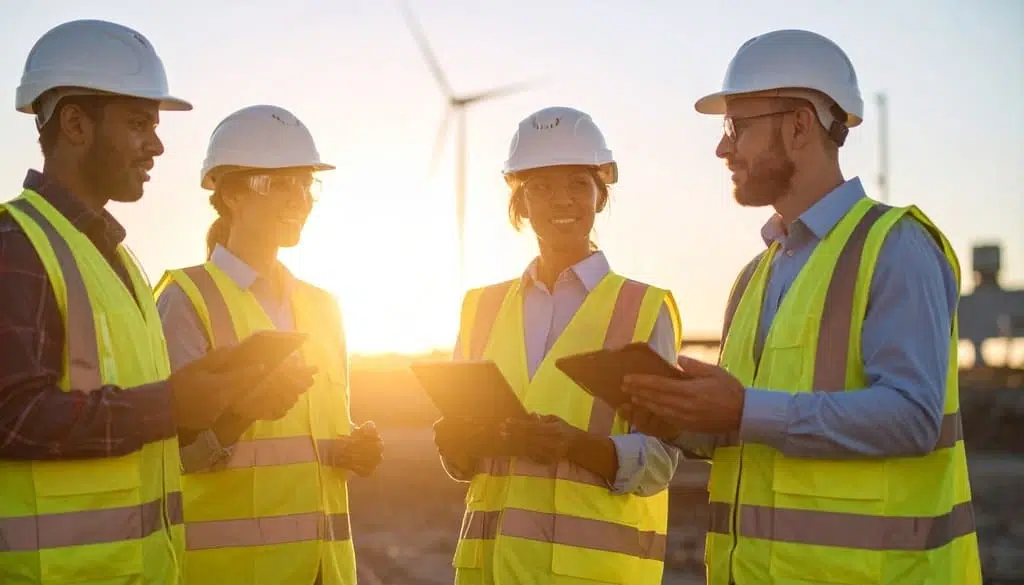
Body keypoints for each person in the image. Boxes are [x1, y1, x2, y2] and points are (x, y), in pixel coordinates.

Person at [620, 29, 983, 585]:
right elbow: (752, 430)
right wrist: (682, 420)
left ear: (798, 125)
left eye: (736, 127)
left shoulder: (895, 247)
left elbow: (913, 418)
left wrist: (742, 410)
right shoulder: (754, 277)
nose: (722, 149)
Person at [0, 20, 312, 585]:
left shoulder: (117, 260)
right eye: (138, 123)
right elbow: (12, 418)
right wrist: (170, 404)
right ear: (75, 123)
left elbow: (141, 425)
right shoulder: (15, 246)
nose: (157, 145)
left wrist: (225, 398)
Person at [432, 106, 683, 585]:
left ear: (600, 196)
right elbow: (461, 460)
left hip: (592, 574)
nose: (561, 200)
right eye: (541, 187)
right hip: (490, 571)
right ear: (521, 202)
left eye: (577, 184)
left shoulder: (643, 308)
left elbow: (660, 460)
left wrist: (578, 447)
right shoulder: (479, 308)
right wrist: (455, 442)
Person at [154, 104, 383, 585]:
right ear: (231, 193)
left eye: (305, 183)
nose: (300, 199)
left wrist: (350, 449)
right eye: (280, 183)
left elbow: (307, 441)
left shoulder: (324, 307)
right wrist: (242, 413)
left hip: (325, 570)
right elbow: (170, 456)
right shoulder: (186, 300)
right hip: (229, 573)